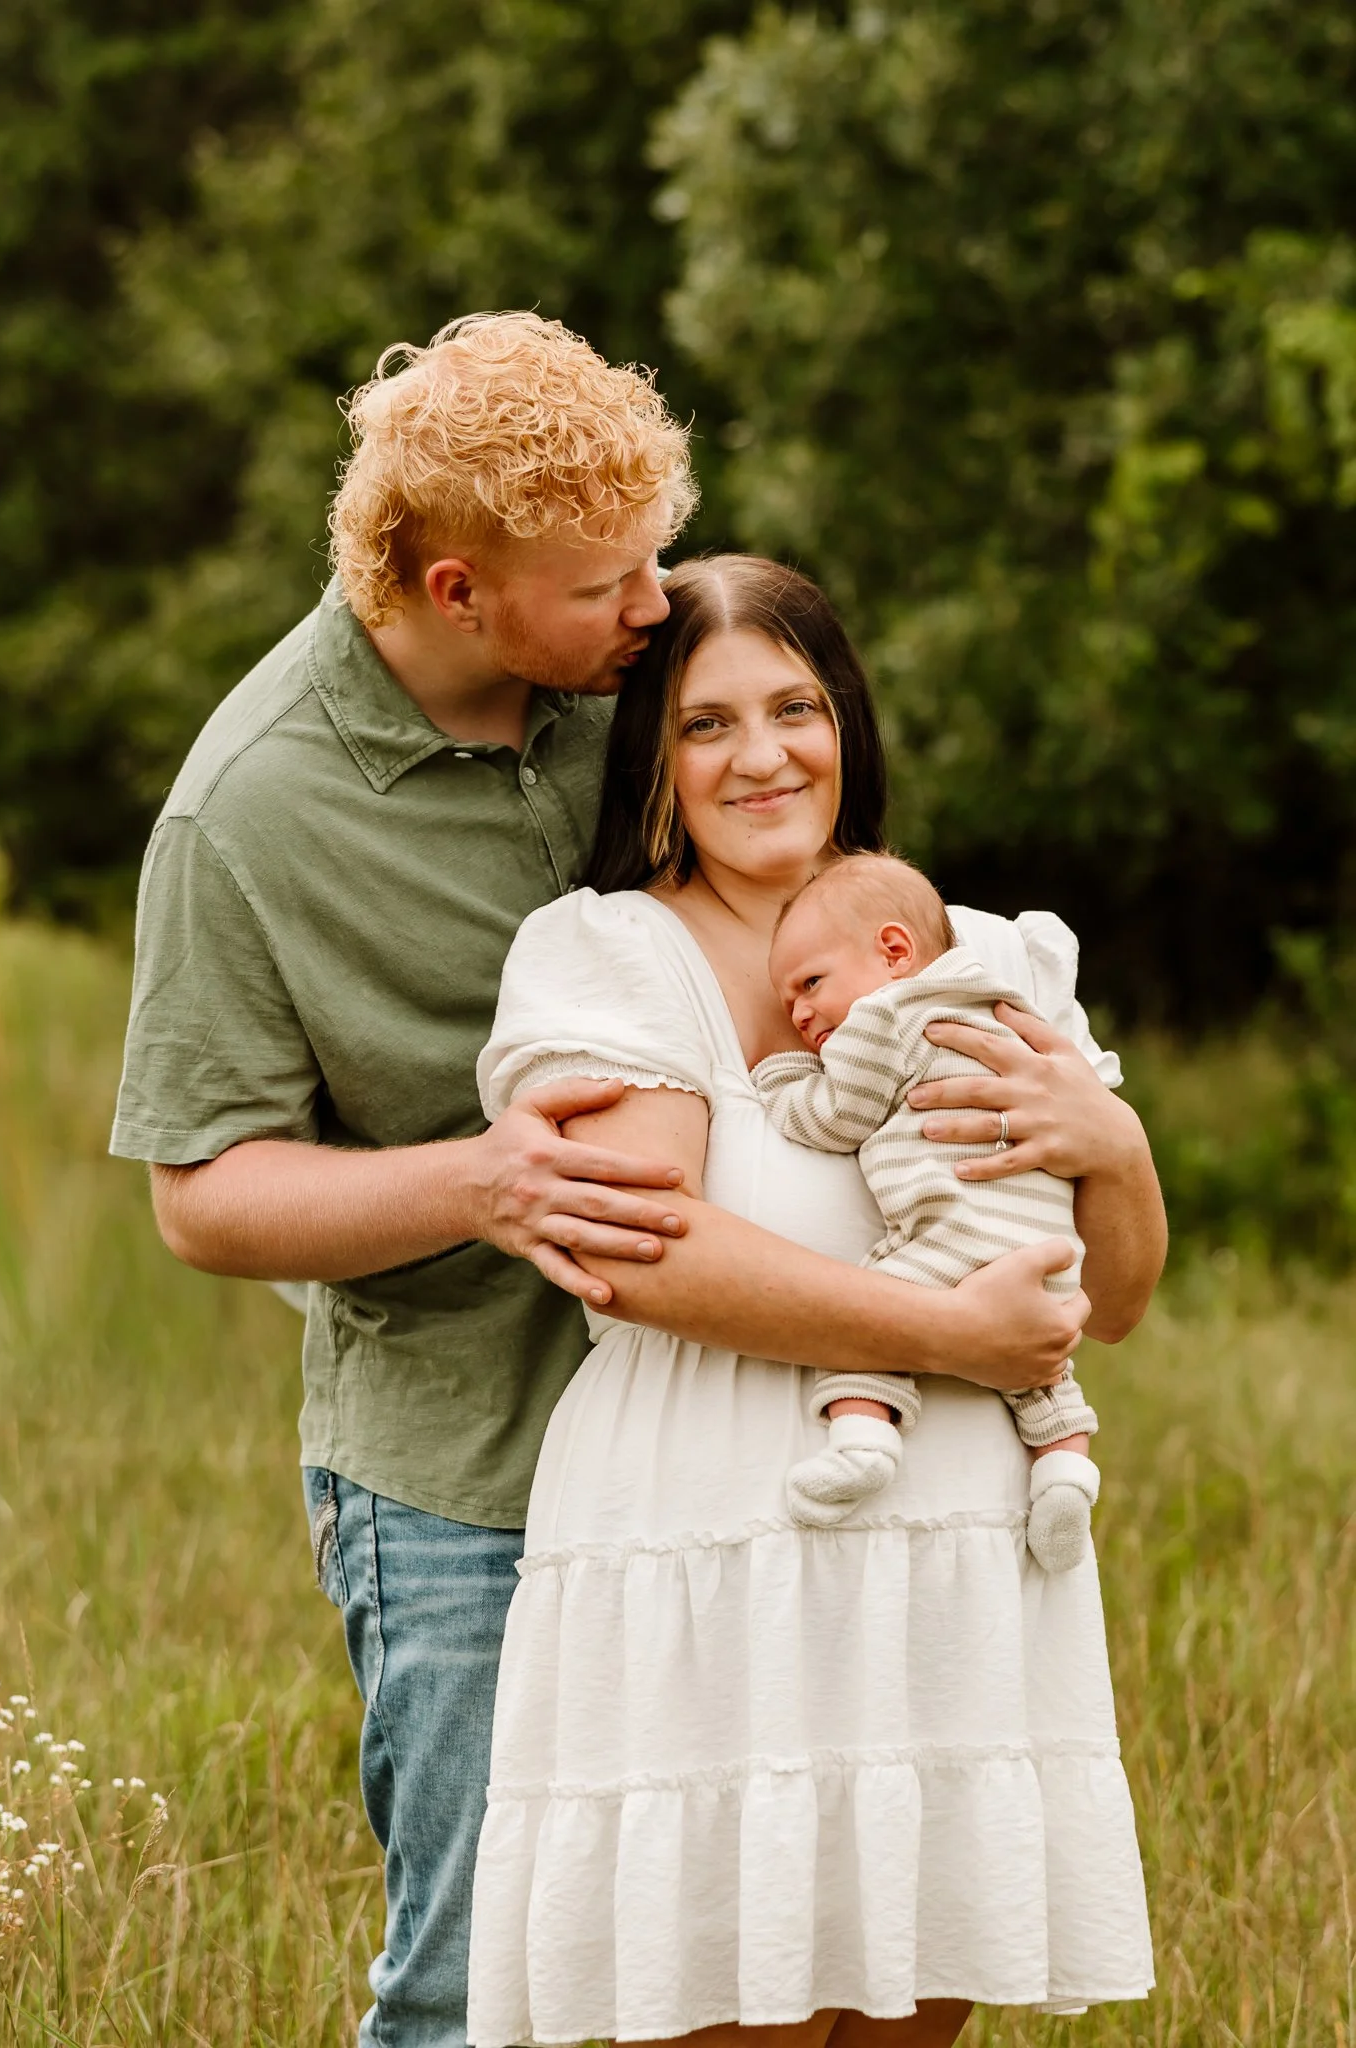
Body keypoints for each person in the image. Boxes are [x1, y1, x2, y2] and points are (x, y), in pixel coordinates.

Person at [109, 315, 1110, 2048]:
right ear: (456, 589)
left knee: (784, 1929)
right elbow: (202, 1196)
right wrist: (481, 1182)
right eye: (607, 584)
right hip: (466, 1465)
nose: (652, 607)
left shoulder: (623, 693)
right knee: (480, 1984)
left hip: (752, 1438)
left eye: (657, 558)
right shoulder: (252, 814)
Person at [467, 554, 1165, 2048]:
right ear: (655, 758)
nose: (762, 755)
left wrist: (1116, 1148)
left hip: (952, 1572)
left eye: (794, 707)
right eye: (707, 723)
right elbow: (646, 1250)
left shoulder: (974, 955)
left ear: (844, 719)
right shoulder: (610, 954)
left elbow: (1109, 1301)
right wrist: (945, 1335)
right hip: (722, 1550)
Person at [754, 851, 1101, 1567]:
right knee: (1045, 1373)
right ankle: (1066, 1473)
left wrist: (781, 1077)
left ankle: (864, 1443)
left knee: (870, 1321)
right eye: (788, 1005)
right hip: (1045, 1246)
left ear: (893, 952)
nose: (799, 1013)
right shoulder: (1002, 1005)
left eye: (810, 983)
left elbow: (836, 1117)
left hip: (951, 1232)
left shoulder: (885, 1015)